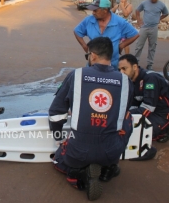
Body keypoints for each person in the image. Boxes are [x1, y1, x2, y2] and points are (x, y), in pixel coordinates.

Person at [49, 37, 134, 200]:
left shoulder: (76, 75)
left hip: (78, 152)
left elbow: (56, 112)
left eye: (87, 55)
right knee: (129, 117)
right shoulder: (126, 81)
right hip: (111, 152)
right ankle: (109, 168)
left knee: (58, 160)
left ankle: (75, 174)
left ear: (93, 56)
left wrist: (59, 139)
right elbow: (123, 112)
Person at [118, 54, 169, 142]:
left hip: (161, 115)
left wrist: (125, 116)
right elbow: (131, 104)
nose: (121, 72)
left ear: (134, 67)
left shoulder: (150, 79)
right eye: (119, 69)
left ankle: (163, 132)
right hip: (146, 111)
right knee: (122, 128)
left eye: (124, 68)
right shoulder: (130, 81)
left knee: (136, 137)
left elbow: (148, 108)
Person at [74, 0, 139, 70]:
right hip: (93, 64)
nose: (93, 13)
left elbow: (135, 34)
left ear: (105, 10)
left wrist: (121, 45)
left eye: (95, 10)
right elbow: (77, 31)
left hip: (112, 64)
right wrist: (84, 46)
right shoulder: (88, 20)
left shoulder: (119, 22)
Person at [134, 0, 169, 70]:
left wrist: (159, 18)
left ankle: (150, 64)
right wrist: (139, 20)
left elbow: (166, 13)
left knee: (152, 47)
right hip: (144, 27)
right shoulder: (144, 3)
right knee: (139, 45)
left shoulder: (161, 5)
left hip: (154, 28)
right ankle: (135, 62)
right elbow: (137, 10)